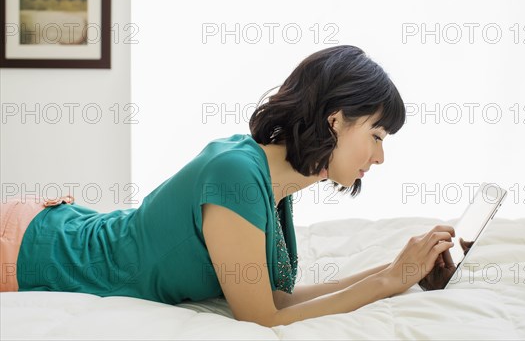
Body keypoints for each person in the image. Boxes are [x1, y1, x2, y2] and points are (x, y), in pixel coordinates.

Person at [0, 45, 456, 327]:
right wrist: (387, 282)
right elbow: (262, 318)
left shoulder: (272, 184)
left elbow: (275, 298)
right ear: (335, 120)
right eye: (376, 136)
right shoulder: (237, 174)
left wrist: (395, 273)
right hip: (30, 249)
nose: (379, 157)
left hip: (50, 230)